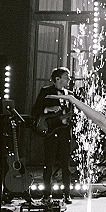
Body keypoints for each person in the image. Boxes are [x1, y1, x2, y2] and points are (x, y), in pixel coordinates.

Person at [31, 67, 74, 203]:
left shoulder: (69, 94)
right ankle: (47, 194)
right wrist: (47, 109)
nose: (69, 79)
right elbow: (35, 111)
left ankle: (67, 194)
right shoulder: (46, 91)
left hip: (65, 132)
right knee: (48, 164)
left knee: (65, 165)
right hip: (51, 132)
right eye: (66, 77)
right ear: (57, 79)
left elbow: (73, 113)